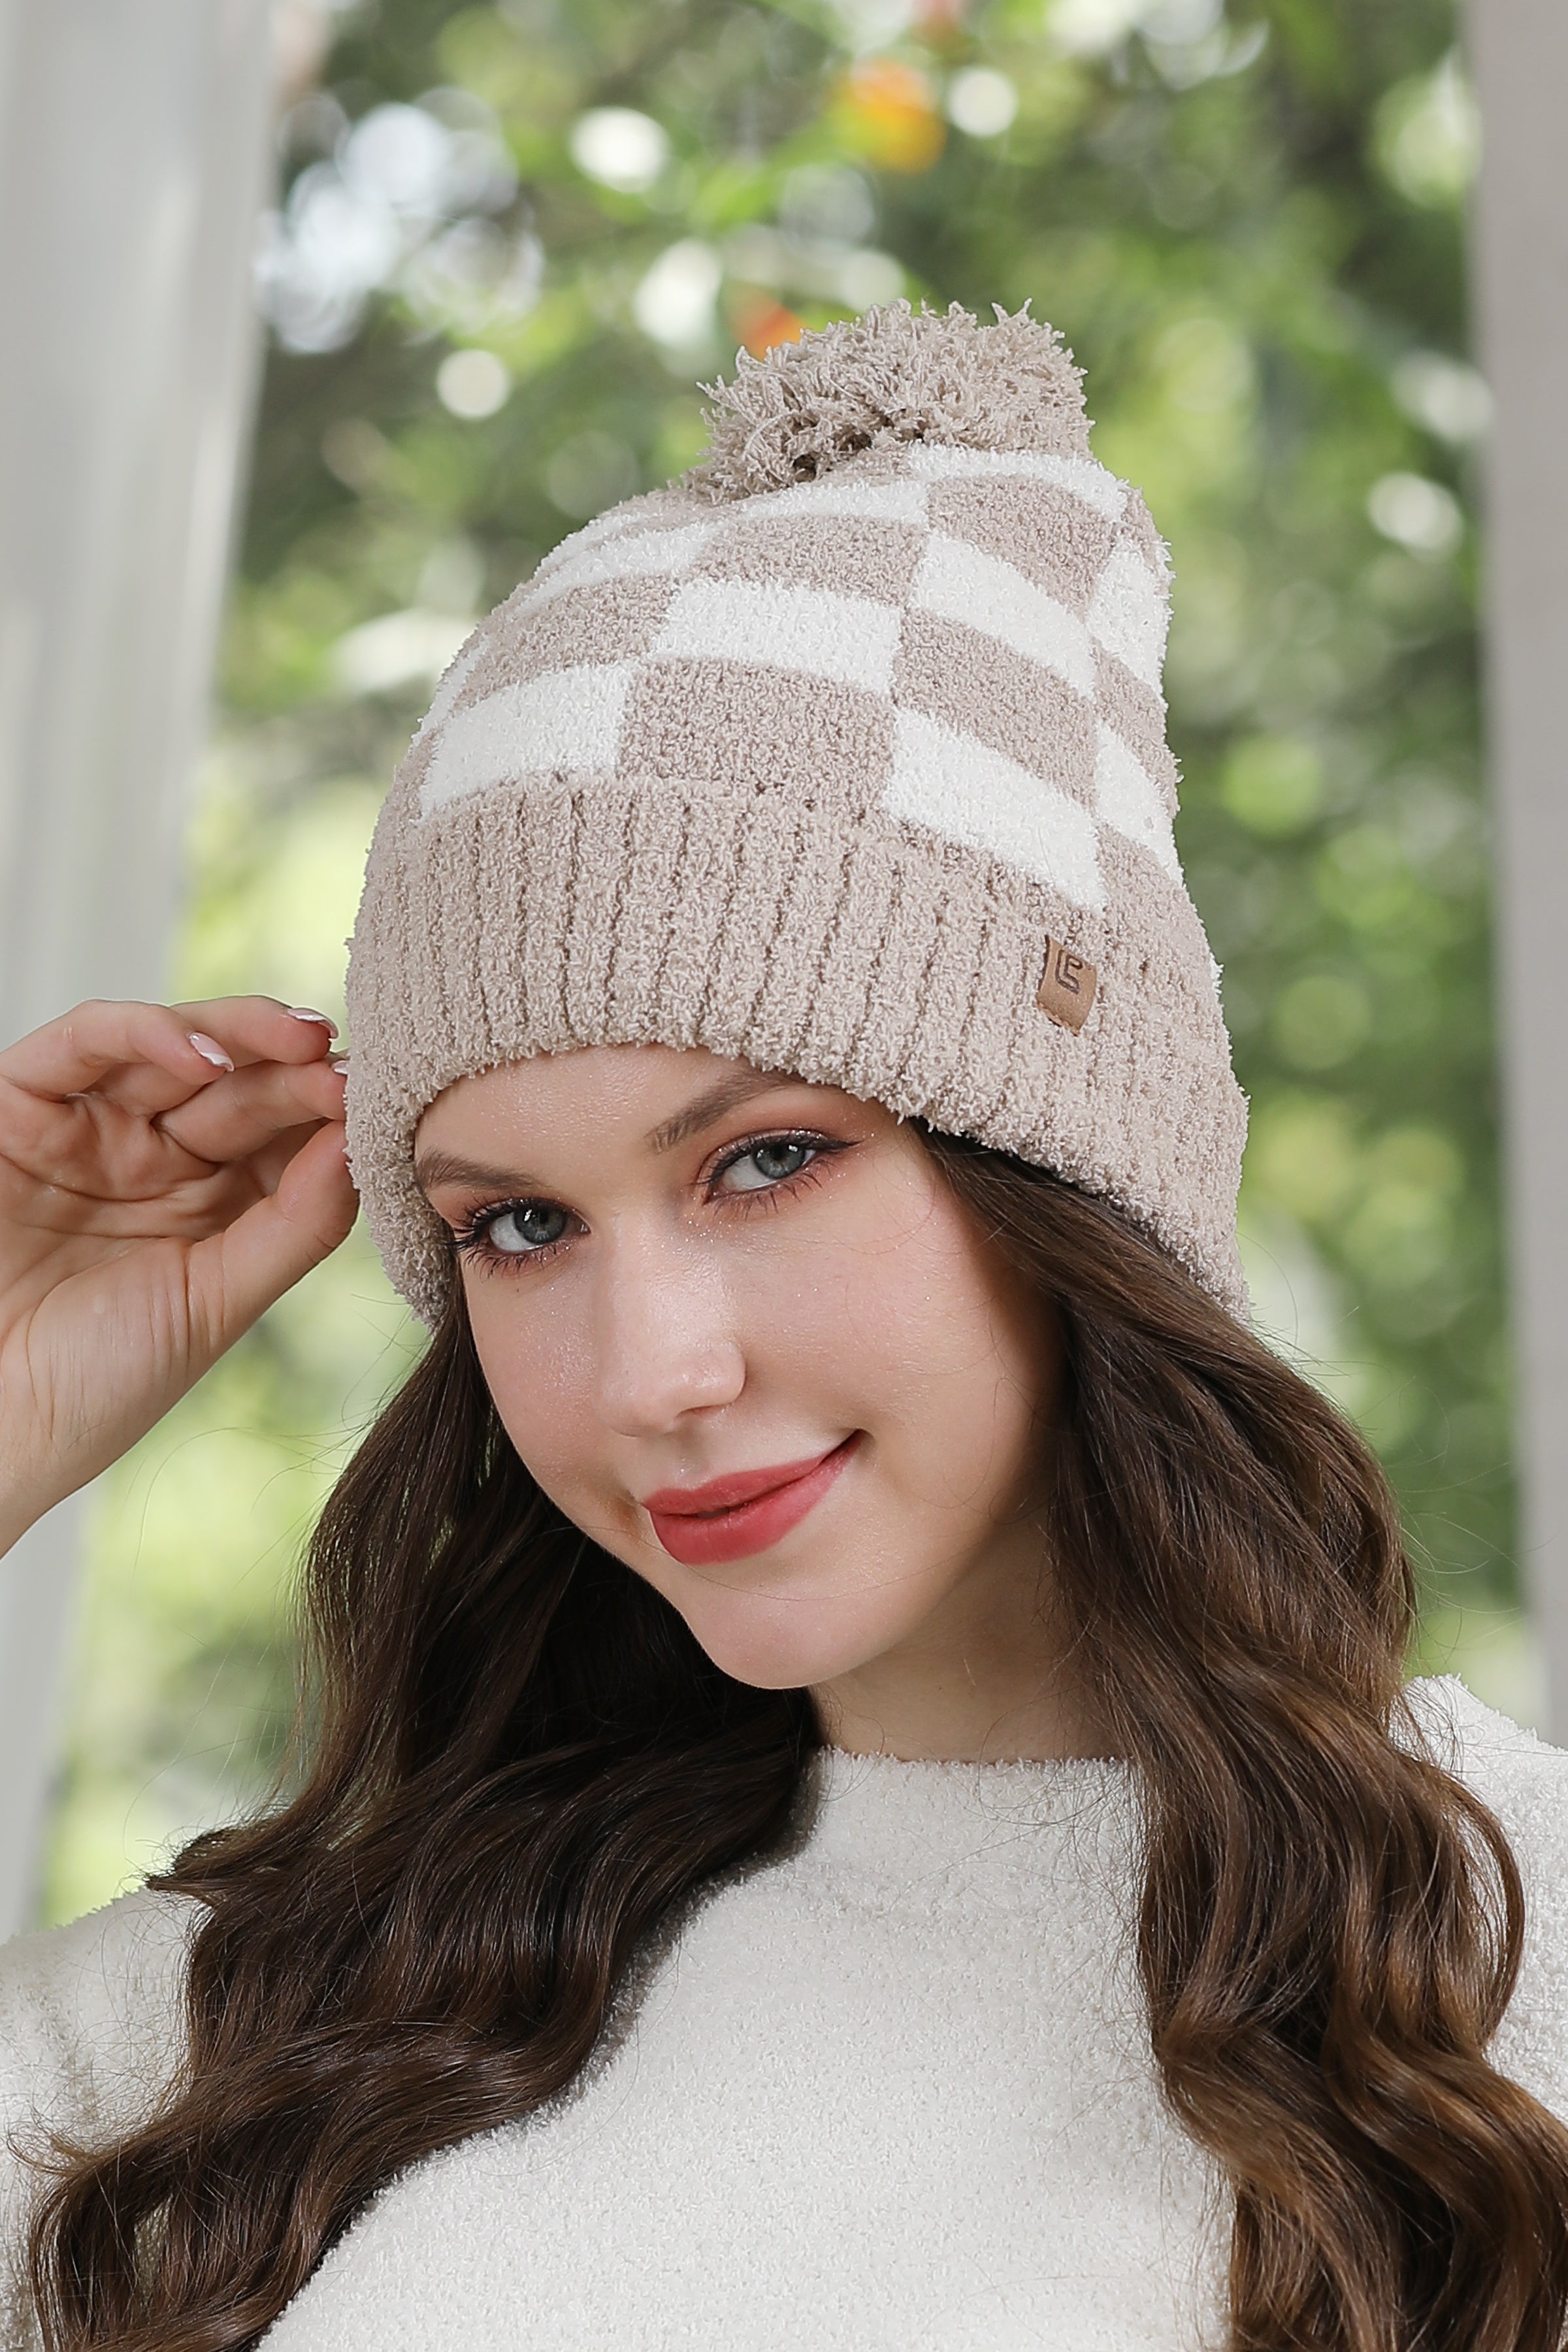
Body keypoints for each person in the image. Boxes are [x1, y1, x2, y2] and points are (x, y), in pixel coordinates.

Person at [2, 301, 1567, 2352]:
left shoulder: (1504, 1953)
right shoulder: (269, 2039)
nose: (651, 1373)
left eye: (765, 1162)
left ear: (1065, 1175)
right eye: (523, 1225)